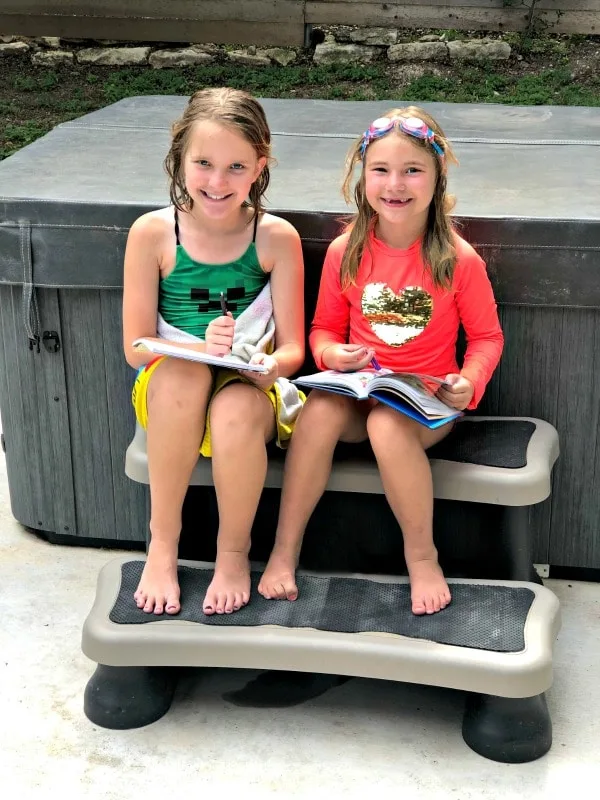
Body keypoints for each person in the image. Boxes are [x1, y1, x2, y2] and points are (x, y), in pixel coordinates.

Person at [258, 107, 503, 615]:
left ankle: (422, 557)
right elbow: (323, 329)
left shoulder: (458, 260)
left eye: (413, 170)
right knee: (318, 411)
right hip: (359, 391)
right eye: (381, 170)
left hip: (423, 403)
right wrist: (331, 354)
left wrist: (467, 382)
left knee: (389, 426)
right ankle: (284, 552)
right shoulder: (346, 251)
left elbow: (486, 338)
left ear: (437, 179)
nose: (396, 184)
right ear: (361, 175)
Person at [123, 88, 305, 617]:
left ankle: (233, 553)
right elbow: (136, 347)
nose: (217, 182)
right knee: (184, 377)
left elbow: (292, 349)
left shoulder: (275, 238)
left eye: (235, 167)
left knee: (234, 410)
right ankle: (162, 543)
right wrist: (197, 348)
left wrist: (270, 364)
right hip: (171, 384)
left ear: (259, 167)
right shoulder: (153, 234)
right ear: (179, 158)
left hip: (247, 386)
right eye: (203, 163)